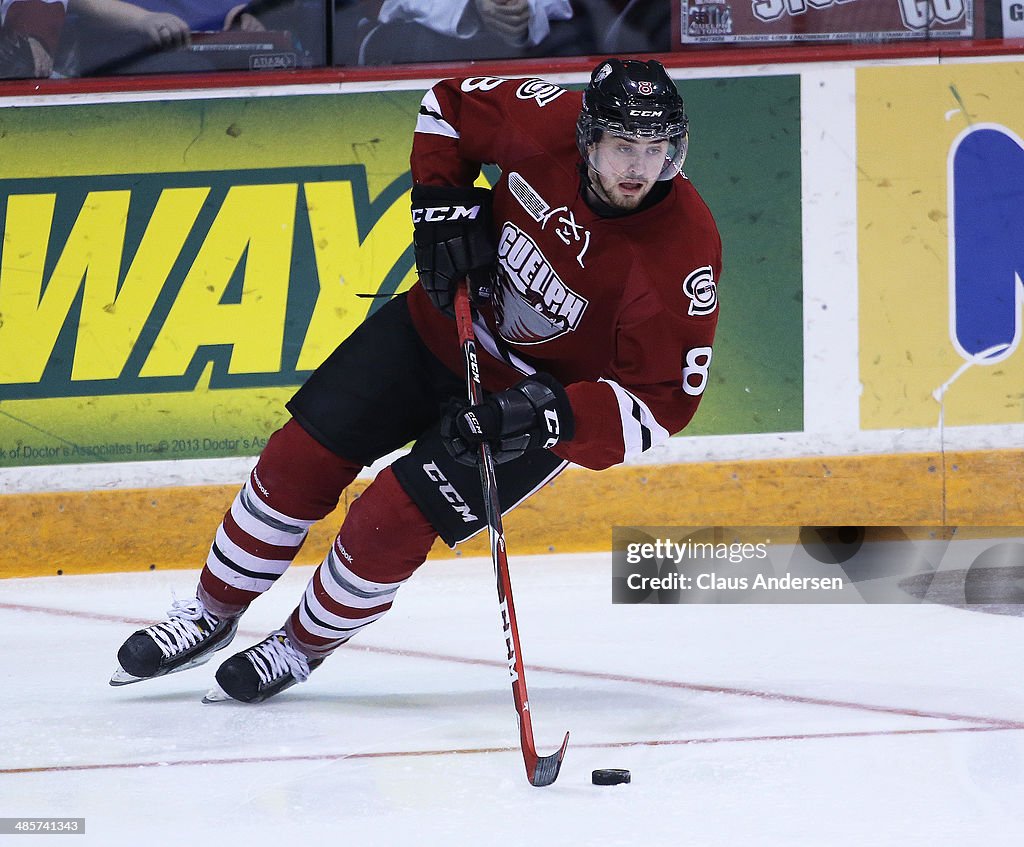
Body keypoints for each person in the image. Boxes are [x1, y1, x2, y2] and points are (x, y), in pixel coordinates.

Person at [110, 57, 723, 704]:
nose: (638, 168)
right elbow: (448, 106)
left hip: (523, 402)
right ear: (587, 136)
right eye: (623, 146)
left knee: (389, 519)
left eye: (656, 150)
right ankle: (210, 612)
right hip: (437, 326)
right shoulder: (541, 117)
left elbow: (659, 407)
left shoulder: (683, 253)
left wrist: (544, 417)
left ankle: (299, 645)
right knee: (299, 457)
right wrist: (441, 204)